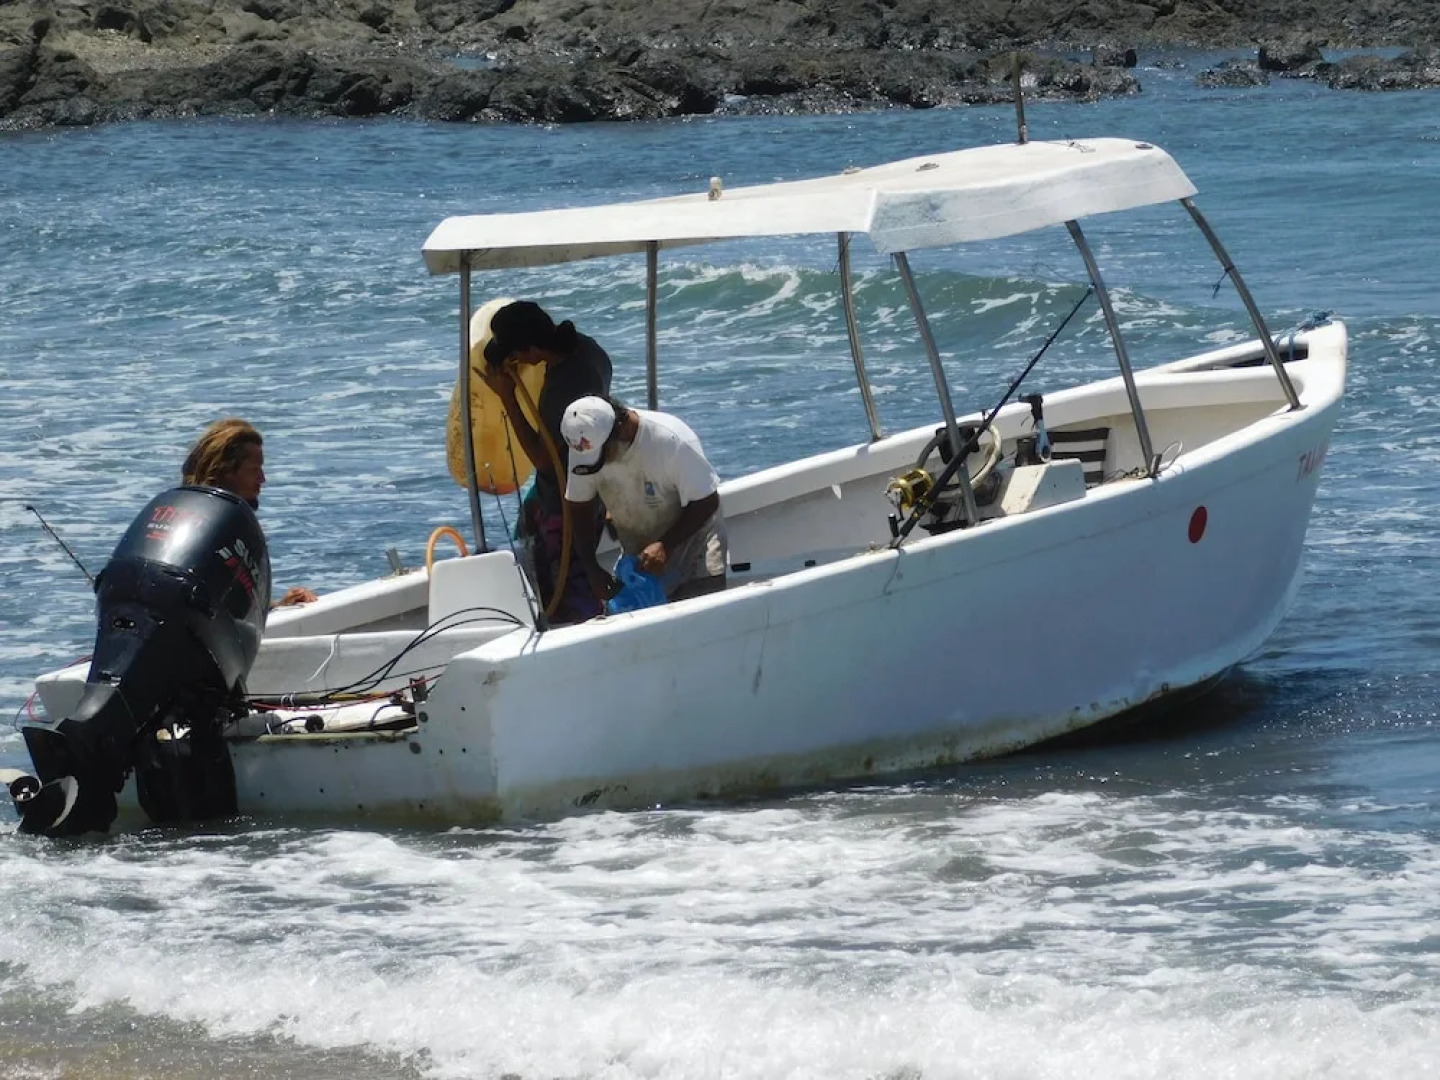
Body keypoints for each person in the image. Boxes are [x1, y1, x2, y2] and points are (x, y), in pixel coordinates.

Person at [478, 301, 612, 623]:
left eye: (517, 353)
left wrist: (507, 397)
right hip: (592, 478)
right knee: (527, 534)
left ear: (533, 348)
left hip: (568, 496)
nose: (517, 361)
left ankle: (575, 632)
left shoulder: (562, 396)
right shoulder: (588, 350)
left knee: (567, 586)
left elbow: (544, 459)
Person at [561, 396, 728, 608]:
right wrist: (591, 567)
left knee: (699, 613)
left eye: (598, 455)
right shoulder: (583, 444)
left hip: (694, 540)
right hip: (640, 550)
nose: (590, 460)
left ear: (620, 430)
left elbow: (707, 500)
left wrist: (665, 545)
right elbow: (579, 506)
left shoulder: (670, 441)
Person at [182, 418, 317, 608]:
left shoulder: (190, 516)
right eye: (255, 469)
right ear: (226, 471)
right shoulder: (211, 529)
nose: (263, 479)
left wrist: (277, 605)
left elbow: (231, 607)